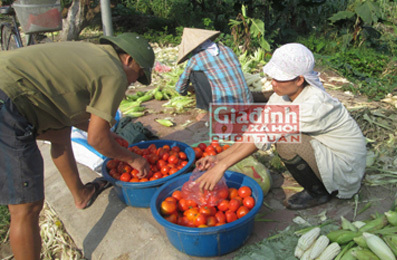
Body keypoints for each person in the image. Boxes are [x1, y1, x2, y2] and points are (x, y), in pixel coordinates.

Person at [0, 32, 155, 260]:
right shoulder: (115, 73)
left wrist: (110, 139)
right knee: (26, 207)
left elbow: (76, 117)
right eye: (138, 74)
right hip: (8, 99)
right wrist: (132, 158)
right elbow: (96, 140)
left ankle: (81, 194)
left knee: (60, 134)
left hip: (20, 92)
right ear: (128, 59)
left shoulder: (93, 54)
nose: (133, 82)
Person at [195, 43, 367, 210]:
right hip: (324, 148)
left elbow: (265, 135)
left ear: (300, 79)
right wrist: (219, 158)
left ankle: (318, 192)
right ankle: (318, 185)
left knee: (287, 143)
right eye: (273, 77)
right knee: (279, 136)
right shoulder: (283, 95)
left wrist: (221, 167)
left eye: (279, 78)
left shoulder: (315, 105)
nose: (273, 83)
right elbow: (258, 128)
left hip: (345, 165)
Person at [175, 28, 253, 120]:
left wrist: (185, 91)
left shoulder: (196, 58)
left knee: (194, 74)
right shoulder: (227, 49)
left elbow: (180, 88)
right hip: (247, 102)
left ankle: (209, 110)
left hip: (226, 108)